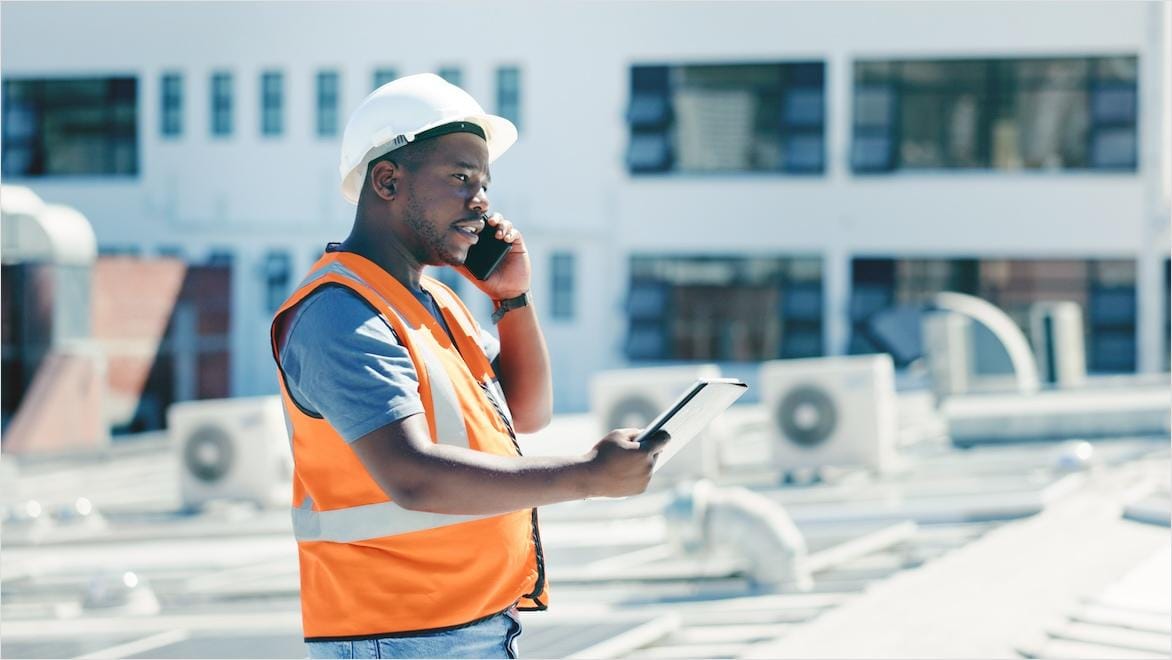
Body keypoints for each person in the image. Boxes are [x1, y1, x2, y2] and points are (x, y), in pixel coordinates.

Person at [270, 73, 669, 659]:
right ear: (387, 181)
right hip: (400, 638)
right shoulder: (339, 314)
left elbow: (527, 415)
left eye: (484, 183)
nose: (481, 201)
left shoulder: (436, 302)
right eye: (460, 178)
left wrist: (512, 299)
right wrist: (588, 475)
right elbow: (413, 476)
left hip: (469, 625)